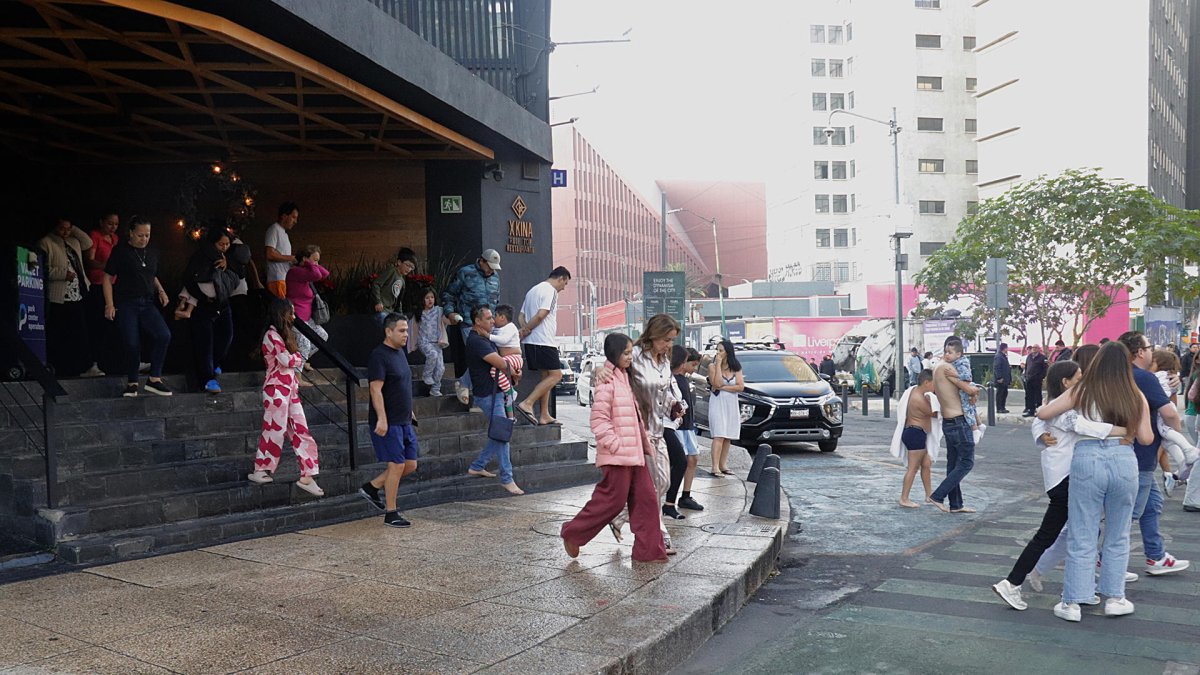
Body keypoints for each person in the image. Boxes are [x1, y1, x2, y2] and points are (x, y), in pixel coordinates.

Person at [991, 360, 1130, 611]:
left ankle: (1078, 588)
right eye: (1078, 377)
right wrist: (1124, 429)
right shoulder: (1064, 411)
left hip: (1062, 479)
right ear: (1066, 383)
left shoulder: (1054, 405)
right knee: (1060, 535)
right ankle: (1013, 583)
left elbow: (1041, 418)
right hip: (1065, 479)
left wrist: (1039, 435)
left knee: (1073, 533)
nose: (1082, 381)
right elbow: (1083, 426)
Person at [1037, 341, 1152, 622]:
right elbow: (1147, 438)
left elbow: (1044, 413)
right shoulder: (1135, 394)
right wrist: (1127, 429)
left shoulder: (1082, 389)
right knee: (1118, 532)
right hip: (1124, 459)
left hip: (1087, 457)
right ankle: (1115, 598)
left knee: (1082, 532)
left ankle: (1073, 602)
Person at [560, 333, 668, 563]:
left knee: (647, 501)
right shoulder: (607, 379)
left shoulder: (624, 376)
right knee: (612, 501)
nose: (630, 357)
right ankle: (572, 533)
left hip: (635, 453)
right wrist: (615, 445)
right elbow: (599, 420)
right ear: (615, 354)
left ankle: (649, 552)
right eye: (626, 353)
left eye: (631, 353)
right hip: (618, 455)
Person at [1117, 331, 1191, 576]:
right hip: (1141, 455)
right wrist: (1175, 435)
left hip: (1126, 452)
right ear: (1139, 352)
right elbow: (1169, 414)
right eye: (1149, 347)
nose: (1152, 351)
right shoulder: (1144, 378)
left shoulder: (1118, 375)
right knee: (1130, 513)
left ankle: (1156, 555)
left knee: (1152, 505)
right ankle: (1107, 562)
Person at [248, 298, 323, 496]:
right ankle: (260, 468)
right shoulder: (271, 336)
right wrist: (297, 358)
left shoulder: (279, 336)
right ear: (282, 314)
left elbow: (290, 360)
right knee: (275, 428)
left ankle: (308, 475)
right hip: (276, 390)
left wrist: (295, 358)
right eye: (291, 313)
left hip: (288, 389)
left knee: (301, 429)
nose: (294, 317)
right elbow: (286, 360)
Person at [359, 313, 419, 527]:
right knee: (396, 465)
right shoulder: (379, 356)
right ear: (388, 331)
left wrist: (410, 411)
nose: (406, 335)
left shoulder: (400, 353)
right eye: (401, 331)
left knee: (410, 465)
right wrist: (382, 419)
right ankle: (391, 513)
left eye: (406, 330)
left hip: (404, 420)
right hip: (389, 421)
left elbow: (402, 385)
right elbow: (375, 390)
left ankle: (372, 487)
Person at [103, 216, 172, 397]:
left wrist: (161, 291)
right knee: (132, 343)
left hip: (147, 302)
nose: (144, 239)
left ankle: (154, 379)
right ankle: (132, 382)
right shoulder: (121, 252)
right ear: (131, 233)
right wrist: (109, 304)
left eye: (147, 235)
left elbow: (151, 275)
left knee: (164, 335)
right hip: (127, 303)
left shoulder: (152, 252)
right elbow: (107, 278)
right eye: (140, 235)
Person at [463, 305, 524, 494]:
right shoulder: (476, 341)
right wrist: (514, 372)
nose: (492, 321)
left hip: (495, 392)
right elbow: (499, 362)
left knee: (499, 433)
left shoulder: (484, 338)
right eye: (488, 318)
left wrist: (513, 371)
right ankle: (507, 478)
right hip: (488, 394)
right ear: (477, 321)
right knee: (502, 435)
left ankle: (477, 465)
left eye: (492, 318)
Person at [180, 228, 241, 393]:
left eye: (227, 244)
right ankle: (207, 379)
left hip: (222, 303)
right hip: (204, 304)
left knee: (227, 336)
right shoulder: (201, 256)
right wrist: (200, 296)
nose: (224, 247)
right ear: (213, 243)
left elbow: (240, 271)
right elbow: (189, 278)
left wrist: (228, 262)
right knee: (205, 342)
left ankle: (214, 364)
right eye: (221, 244)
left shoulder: (230, 257)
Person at [39, 218, 101, 378]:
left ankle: (85, 365)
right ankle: (60, 366)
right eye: (62, 229)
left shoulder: (73, 241)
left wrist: (74, 230)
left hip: (77, 292)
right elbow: (42, 269)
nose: (65, 232)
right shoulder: (46, 242)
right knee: (60, 332)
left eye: (68, 229)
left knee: (80, 330)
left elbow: (87, 243)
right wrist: (62, 274)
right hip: (59, 294)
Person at [443, 249, 502, 404]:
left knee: (489, 358)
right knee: (482, 356)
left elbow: (496, 301)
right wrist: (450, 313)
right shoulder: (466, 273)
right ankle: (467, 386)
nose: (492, 270)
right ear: (481, 261)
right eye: (490, 266)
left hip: (490, 326)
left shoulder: (495, 277)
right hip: (470, 323)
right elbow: (449, 294)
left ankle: (467, 385)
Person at [927, 337, 979, 513]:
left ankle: (956, 504)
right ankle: (938, 495)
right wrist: (973, 391)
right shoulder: (948, 368)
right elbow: (970, 388)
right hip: (958, 421)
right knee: (966, 462)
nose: (948, 355)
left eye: (950, 352)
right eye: (947, 352)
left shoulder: (937, 367)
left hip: (948, 422)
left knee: (953, 463)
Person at [517, 267, 572, 426]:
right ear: (560, 278)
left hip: (532, 342)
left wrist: (525, 329)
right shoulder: (551, 291)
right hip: (544, 341)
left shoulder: (532, 291)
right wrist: (528, 329)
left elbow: (521, 316)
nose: (563, 288)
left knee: (546, 376)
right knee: (556, 376)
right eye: (565, 283)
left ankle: (544, 415)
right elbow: (542, 314)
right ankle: (528, 402)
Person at [1151, 349, 1200, 496]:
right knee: (1167, 441)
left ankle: (1186, 455)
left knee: (1167, 436)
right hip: (1167, 407)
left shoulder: (1156, 376)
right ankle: (1182, 465)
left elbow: (1190, 395)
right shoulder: (1170, 377)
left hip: (1161, 410)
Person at [891, 369, 939, 508]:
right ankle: (904, 498)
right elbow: (934, 414)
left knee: (926, 464)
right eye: (933, 384)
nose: (935, 388)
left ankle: (929, 495)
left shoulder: (914, 391)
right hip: (915, 433)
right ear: (926, 382)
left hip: (916, 433)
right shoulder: (919, 398)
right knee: (913, 468)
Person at [285, 244, 330, 378]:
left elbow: (325, 274)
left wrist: (312, 262)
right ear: (305, 259)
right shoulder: (295, 272)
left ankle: (300, 360)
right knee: (304, 343)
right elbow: (317, 275)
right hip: (296, 317)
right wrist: (310, 264)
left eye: (318, 261)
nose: (316, 264)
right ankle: (297, 378)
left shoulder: (306, 273)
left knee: (322, 336)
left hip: (307, 318)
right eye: (314, 260)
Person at [670, 346, 705, 513]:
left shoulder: (685, 379)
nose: (692, 368)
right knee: (680, 462)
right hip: (677, 426)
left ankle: (686, 495)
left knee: (693, 459)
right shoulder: (671, 379)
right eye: (688, 363)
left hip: (688, 426)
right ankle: (671, 496)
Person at [84, 211, 120, 375]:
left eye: (116, 224)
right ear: (101, 222)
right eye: (109, 223)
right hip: (98, 284)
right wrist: (105, 266)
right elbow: (89, 260)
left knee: (114, 325)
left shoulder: (116, 239)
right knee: (98, 324)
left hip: (114, 285)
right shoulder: (95, 236)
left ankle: (115, 361)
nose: (113, 227)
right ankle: (93, 363)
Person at [708, 338, 744, 477]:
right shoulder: (712, 366)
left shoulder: (736, 367)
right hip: (718, 402)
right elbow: (716, 383)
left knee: (728, 435)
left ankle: (723, 464)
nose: (719, 353)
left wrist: (724, 387)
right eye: (718, 350)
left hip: (731, 403)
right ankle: (715, 466)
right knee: (719, 434)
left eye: (721, 350)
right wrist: (717, 364)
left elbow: (740, 386)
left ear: (728, 352)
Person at [413, 288, 449, 397]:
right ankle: (426, 375)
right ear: (422, 300)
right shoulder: (419, 314)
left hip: (437, 343)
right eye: (427, 298)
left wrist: (454, 317)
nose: (430, 300)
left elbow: (447, 319)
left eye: (432, 297)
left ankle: (435, 388)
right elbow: (413, 329)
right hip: (424, 341)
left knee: (441, 368)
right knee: (432, 354)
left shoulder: (439, 311)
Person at [489, 304, 523, 416]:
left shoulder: (510, 327)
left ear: (502, 317)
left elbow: (503, 341)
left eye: (495, 316)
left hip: (515, 358)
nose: (493, 319)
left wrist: (487, 336)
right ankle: (511, 418)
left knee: (495, 371)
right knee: (507, 400)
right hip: (507, 358)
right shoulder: (497, 329)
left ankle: (510, 392)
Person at [372, 247, 417, 324]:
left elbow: (399, 301)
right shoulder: (391, 271)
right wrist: (378, 301)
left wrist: (401, 315)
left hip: (390, 312)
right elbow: (376, 284)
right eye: (407, 265)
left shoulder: (402, 281)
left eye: (411, 267)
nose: (409, 269)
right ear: (399, 262)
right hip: (381, 310)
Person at [264, 202, 298, 299]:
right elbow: (269, 254)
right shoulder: (274, 229)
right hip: (277, 279)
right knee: (281, 311)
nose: (295, 221)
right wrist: (291, 258)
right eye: (293, 217)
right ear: (284, 216)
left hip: (284, 279)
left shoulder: (284, 234)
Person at [1022, 345, 1048, 417]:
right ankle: (1031, 410)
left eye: (1035, 348)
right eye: (1033, 348)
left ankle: (1038, 411)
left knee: (1037, 395)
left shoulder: (1042, 358)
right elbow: (1027, 366)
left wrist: (1041, 377)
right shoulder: (1029, 356)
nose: (1033, 349)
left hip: (1037, 380)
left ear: (1039, 349)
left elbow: (1045, 369)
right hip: (1029, 379)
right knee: (1030, 396)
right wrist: (1026, 376)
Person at [993, 343, 1012, 414]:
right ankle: (999, 408)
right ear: (1004, 348)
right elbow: (997, 367)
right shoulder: (999, 357)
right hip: (1001, 380)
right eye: (1007, 348)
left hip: (1005, 379)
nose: (1008, 349)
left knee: (1004, 393)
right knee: (1000, 394)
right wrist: (999, 377)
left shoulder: (1004, 356)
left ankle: (1002, 407)